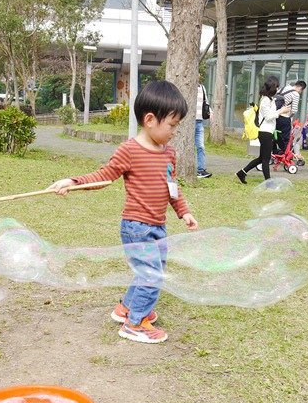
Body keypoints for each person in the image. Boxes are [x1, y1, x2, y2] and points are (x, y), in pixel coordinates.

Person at [48, 80, 198, 344]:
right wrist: (74, 182)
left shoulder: (169, 153)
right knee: (152, 274)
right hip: (136, 227)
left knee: (150, 270)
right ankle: (135, 323)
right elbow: (105, 176)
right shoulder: (129, 150)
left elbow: (172, 186)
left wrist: (183, 211)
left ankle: (126, 308)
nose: (175, 131)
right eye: (172, 125)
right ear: (150, 119)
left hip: (158, 225)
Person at [236, 75, 291, 183]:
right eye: (277, 87)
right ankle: (268, 182)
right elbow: (268, 116)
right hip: (265, 132)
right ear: (272, 88)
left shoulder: (270, 99)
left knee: (262, 158)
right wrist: (281, 111)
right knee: (266, 159)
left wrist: (282, 111)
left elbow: (272, 115)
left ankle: (242, 173)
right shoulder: (265, 100)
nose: (278, 89)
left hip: (268, 131)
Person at [275, 79, 306, 153]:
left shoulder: (284, 88)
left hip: (275, 116)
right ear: (300, 87)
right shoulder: (296, 94)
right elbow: (294, 110)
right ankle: (287, 156)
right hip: (284, 118)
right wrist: (290, 117)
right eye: (301, 91)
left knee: (275, 136)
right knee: (285, 138)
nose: (300, 92)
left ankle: (275, 153)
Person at [195, 82, 212, 178]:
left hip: (199, 121)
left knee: (201, 146)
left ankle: (200, 170)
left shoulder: (202, 87)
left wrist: (210, 111)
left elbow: (206, 102)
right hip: (189, 121)